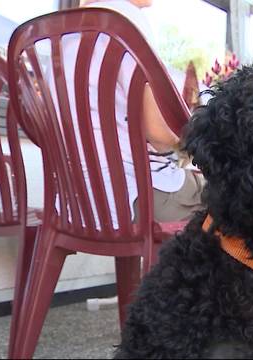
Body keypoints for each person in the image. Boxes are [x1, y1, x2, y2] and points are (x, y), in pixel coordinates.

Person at [47, 0, 205, 227]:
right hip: (134, 196)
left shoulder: (62, 32)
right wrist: (191, 145)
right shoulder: (124, 21)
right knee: (236, 195)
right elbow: (158, 134)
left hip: (74, 200)